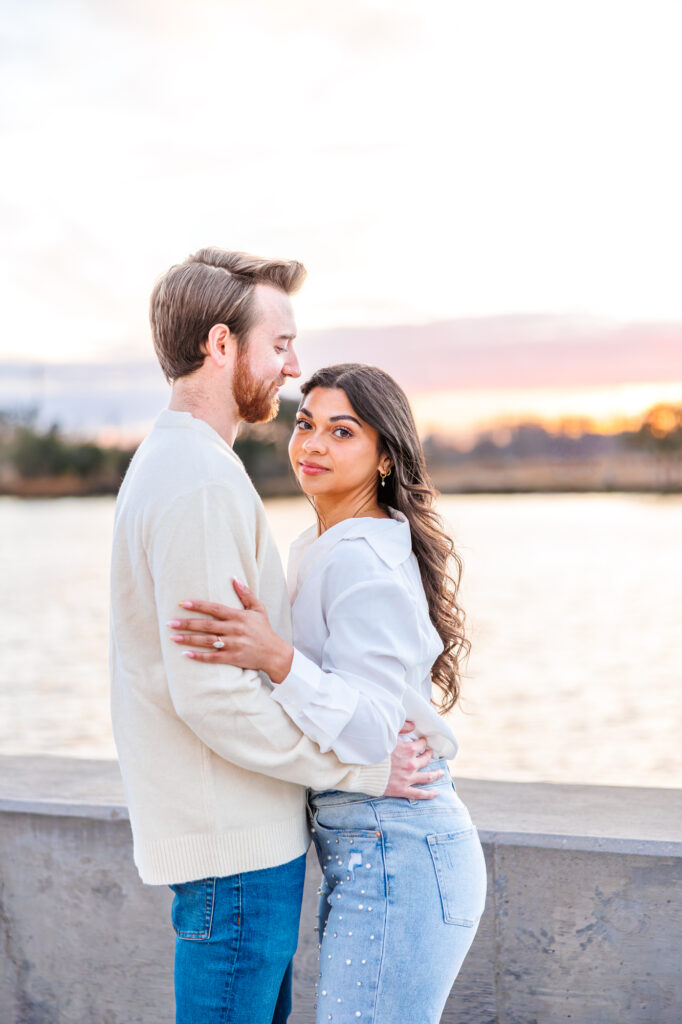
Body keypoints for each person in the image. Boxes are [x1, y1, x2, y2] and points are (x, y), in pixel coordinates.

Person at [109, 249, 443, 1024]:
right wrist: (361, 769)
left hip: (240, 842)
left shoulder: (184, 464)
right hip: (236, 852)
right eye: (281, 343)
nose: (293, 367)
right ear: (223, 346)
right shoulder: (196, 480)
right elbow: (214, 696)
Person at [169, 362, 488, 1024]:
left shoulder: (359, 558)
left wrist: (275, 657)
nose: (312, 445)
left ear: (383, 458)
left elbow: (372, 732)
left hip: (395, 846)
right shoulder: (322, 545)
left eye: (342, 432)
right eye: (305, 423)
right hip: (375, 846)